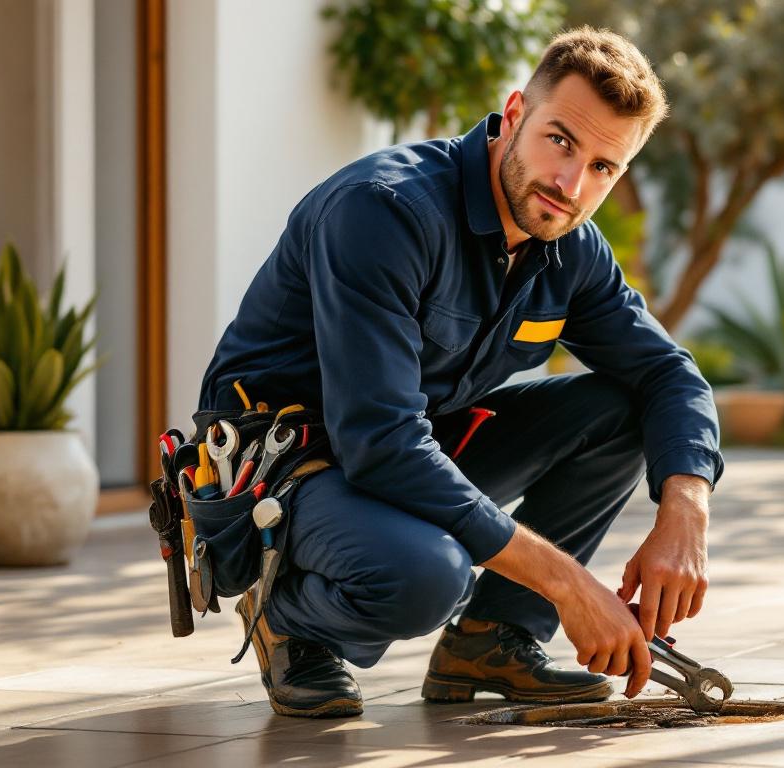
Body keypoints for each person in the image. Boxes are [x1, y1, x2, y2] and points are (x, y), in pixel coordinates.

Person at [197, 27, 723, 718]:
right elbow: (380, 442)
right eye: (560, 141)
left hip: (405, 449)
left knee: (626, 412)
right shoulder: (384, 211)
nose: (572, 185)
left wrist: (684, 510)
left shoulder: (569, 247)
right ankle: (291, 619)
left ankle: (492, 637)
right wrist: (568, 584)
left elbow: (668, 375)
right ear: (513, 116)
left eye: (604, 167)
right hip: (285, 466)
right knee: (426, 574)